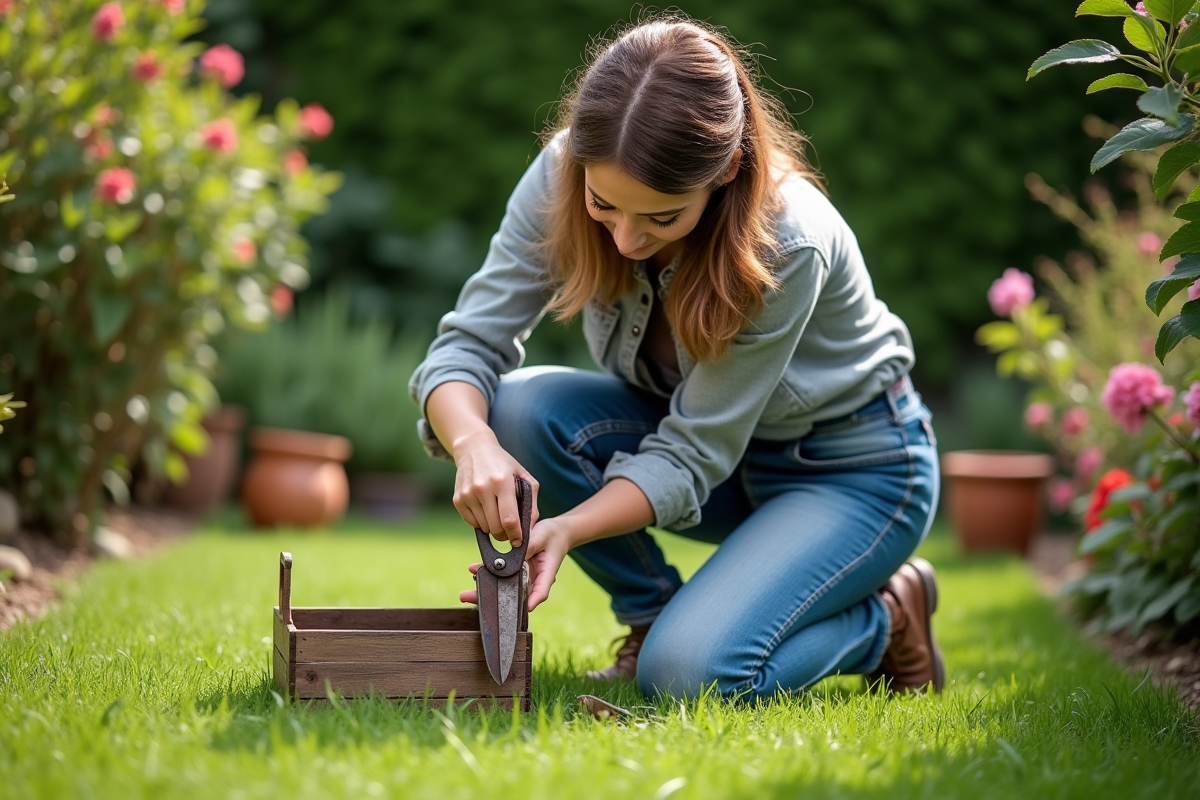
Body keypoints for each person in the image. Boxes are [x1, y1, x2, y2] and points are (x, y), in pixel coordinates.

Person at [408, 17, 943, 700]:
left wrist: (567, 528)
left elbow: (693, 452)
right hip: (716, 460)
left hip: (850, 473)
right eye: (605, 206)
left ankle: (888, 616)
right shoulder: (563, 171)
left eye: (662, 218)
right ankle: (654, 618)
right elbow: (467, 343)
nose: (627, 240)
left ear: (723, 172)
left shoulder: (787, 240)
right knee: (515, 410)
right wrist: (473, 443)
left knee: (691, 678)